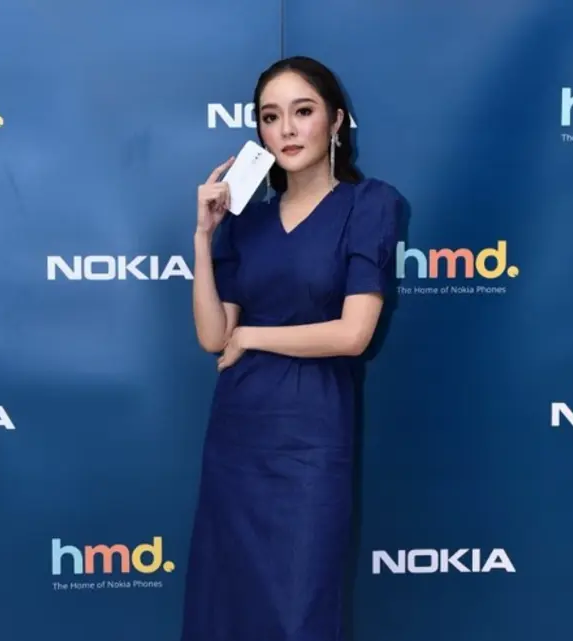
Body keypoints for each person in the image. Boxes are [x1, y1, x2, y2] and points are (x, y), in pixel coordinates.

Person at [182, 55, 404, 641]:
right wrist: (204, 237)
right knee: (226, 606)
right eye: (270, 116)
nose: (286, 129)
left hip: (312, 438)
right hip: (238, 434)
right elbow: (212, 335)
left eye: (303, 111)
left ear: (336, 122)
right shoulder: (245, 222)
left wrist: (252, 336)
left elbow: (353, 334)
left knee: (300, 609)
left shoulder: (370, 204)